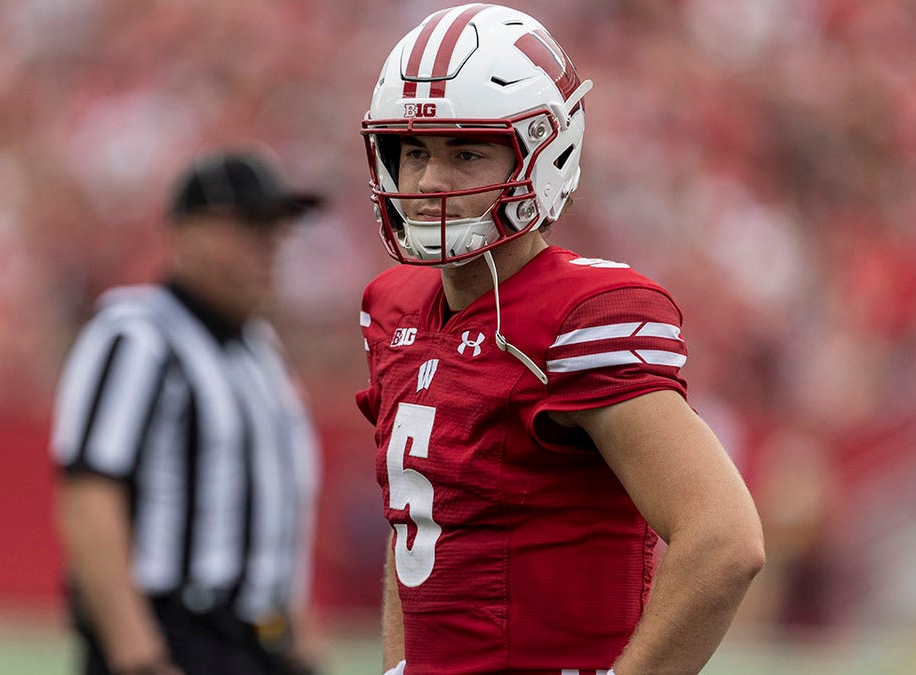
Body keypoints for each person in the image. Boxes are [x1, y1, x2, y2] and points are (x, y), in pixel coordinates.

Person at [354, 5, 765, 674]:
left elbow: (724, 539)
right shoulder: (392, 305)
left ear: (547, 152)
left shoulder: (584, 314)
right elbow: (422, 525)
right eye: (414, 151)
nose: (430, 182)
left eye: (465, 152)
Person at [51, 148, 323, 675]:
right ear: (186, 234)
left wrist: (301, 644)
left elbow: (278, 514)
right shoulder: (136, 333)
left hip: (259, 639)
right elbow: (89, 495)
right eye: (249, 226)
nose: (270, 246)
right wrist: (138, 655)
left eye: (276, 229)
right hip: (178, 632)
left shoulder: (258, 351)